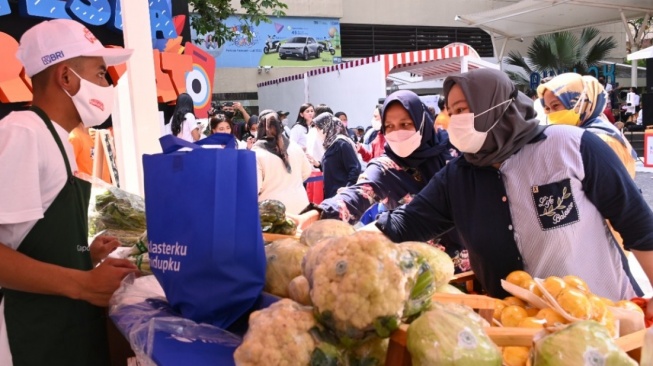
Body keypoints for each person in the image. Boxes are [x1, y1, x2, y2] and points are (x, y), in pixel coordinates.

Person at [369, 68, 653, 313]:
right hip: (518, 335)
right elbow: (406, 224)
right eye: (452, 112)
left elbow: (637, 224)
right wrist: (340, 238)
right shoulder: (457, 176)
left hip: (604, 320)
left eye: (465, 109)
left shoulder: (572, 146)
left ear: (497, 106)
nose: (456, 120)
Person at [0, 19, 139, 365]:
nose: (107, 84)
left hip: (66, 329)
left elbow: (23, 241)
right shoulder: (23, 132)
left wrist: (83, 255)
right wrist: (83, 283)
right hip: (33, 337)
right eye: (101, 74)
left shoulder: (58, 138)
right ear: (66, 77)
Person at [295, 91, 466, 267]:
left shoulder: (454, 152)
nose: (397, 132)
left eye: (405, 124)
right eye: (389, 126)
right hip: (420, 269)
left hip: (472, 263)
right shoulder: (386, 167)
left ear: (421, 122)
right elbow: (355, 195)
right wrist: (315, 215)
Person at [537, 73, 637, 178]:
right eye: (547, 108)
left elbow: (610, 190)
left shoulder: (601, 140)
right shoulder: (578, 134)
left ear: (582, 102)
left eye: (555, 105)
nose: (551, 113)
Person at [252, 110, 312, 214]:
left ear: (260, 126)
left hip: (273, 211)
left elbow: (255, 186)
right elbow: (306, 172)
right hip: (301, 206)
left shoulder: (257, 152)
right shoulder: (295, 146)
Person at [311, 113, 361, 199]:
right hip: (332, 194)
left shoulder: (341, 144)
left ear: (327, 127)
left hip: (341, 196)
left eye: (319, 129)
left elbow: (355, 167)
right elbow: (335, 166)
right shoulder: (330, 145)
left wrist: (348, 189)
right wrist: (319, 165)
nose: (317, 132)